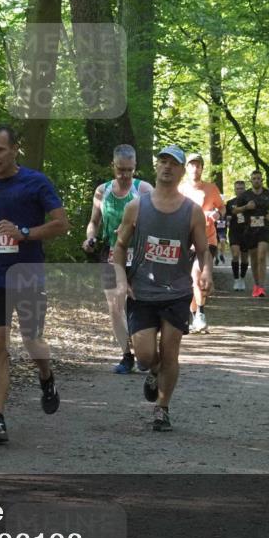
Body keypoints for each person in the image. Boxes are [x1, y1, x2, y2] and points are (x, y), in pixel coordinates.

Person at [0, 124, 71, 443]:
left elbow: (62, 224)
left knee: (32, 340)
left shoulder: (35, 183)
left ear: (14, 151)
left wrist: (25, 233)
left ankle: (46, 376)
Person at [112, 145, 212, 432]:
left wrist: (205, 272)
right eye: (162, 162)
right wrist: (120, 278)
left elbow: (204, 250)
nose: (167, 167)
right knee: (144, 356)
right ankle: (154, 371)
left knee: (171, 352)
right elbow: (120, 246)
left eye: (173, 163)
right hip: (141, 291)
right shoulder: (137, 206)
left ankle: (162, 408)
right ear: (156, 167)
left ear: (182, 171)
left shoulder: (192, 211)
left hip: (177, 291)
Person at [83, 145, 154, 373]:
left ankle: (146, 350)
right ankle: (126, 355)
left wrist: (131, 229)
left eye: (129, 170)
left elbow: (155, 222)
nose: (124, 175)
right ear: (113, 166)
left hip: (139, 255)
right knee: (115, 306)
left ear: (135, 168)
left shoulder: (143, 189)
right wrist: (90, 238)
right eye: (120, 170)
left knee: (140, 304)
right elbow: (94, 222)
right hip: (111, 253)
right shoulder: (102, 191)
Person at [179, 154, 225, 333]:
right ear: (186, 169)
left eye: (198, 166)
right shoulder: (181, 189)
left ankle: (201, 315)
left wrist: (217, 215)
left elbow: (222, 206)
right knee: (191, 282)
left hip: (208, 240)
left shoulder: (211, 188)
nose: (195, 169)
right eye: (192, 165)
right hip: (186, 241)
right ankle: (194, 316)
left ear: (202, 168)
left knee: (197, 274)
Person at [240, 170, 269, 297]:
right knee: (254, 259)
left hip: (264, 228)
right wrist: (245, 207)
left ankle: (262, 287)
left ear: (261, 180)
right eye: (254, 178)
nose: (256, 180)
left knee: (262, 256)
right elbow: (234, 210)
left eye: (258, 178)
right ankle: (256, 285)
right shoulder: (245, 195)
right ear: (251, 181)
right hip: (249, 230)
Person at [225, 179, 251, 291]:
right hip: (234, 232)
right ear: (234, 190)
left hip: (247, 232)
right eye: (237, 189)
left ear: (245, 189)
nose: (239, 190)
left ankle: (242, 279)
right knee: (235, 255)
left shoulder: (250, 202)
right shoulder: (230, 203)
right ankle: (236, 279)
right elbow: (225, 217)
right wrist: (227, 218)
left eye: (241, 188)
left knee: (245, 259)